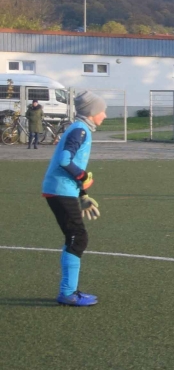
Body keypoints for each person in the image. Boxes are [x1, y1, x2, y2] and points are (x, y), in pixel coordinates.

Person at [44, 91, 108, 305]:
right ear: (92, 112)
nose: (105, 115)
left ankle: (69, 291)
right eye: (102, 111)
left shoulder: (80, 129)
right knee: (78, 237)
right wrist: (83, 177)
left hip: (64, 189)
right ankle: (67, 293)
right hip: (60, 189)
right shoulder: (80, 130)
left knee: (75, 236)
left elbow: (71, 163)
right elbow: (65, 160)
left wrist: (82, 194)